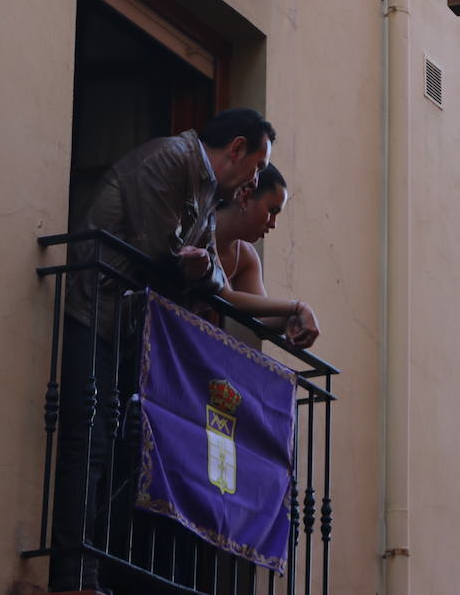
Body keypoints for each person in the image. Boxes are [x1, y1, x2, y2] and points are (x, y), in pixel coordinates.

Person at [51, 108, 275, 593]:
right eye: (257, 167)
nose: (253, 180)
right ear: (235, 148)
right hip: (94, 311)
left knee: (103, 444)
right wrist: (187, 266)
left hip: (122, 324)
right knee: (86, 441)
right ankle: (72, 574)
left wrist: (193, 268)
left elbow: (210, 273)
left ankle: (86, 571)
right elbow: (159, 251)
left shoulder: (201, 187)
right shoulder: (170, 161)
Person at [213, 162, 320, 347]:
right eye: (272, 211)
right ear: (245, 197)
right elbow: (225, 296)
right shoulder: (205, 228)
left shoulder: (245, 256)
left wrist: (292, 319)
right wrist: (298, 307)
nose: (273, 224)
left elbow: (261, 319)